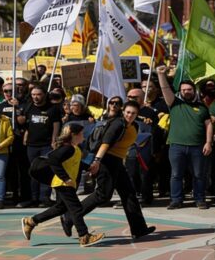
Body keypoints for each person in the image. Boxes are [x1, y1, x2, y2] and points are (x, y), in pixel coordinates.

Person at [64, 101, 156, 239]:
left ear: (137, 114)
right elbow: (105, 144)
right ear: (123, 111)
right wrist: (96, 162)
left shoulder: (135, 126)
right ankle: (70, 217)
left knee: (129, 194)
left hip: (117, 162)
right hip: (106, 160)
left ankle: (139, 229)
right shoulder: (117, 124)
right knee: (103, 195)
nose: (130, 115)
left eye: (133, 113)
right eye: (128, 112)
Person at [21, 123, 105, 247]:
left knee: (60, 208)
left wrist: (89, 168)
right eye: (81, 134)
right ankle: (84, 236)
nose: (83, 136)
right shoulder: (68, 148)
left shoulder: (74, 149)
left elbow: (75, 163)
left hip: (65, 183)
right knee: (76, 208)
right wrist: (65, 178)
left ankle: (31, 221)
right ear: (74, 135)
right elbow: (53, 159)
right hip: (63, 183)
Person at [156, 65, 213, 210]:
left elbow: (209, 125)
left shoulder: (202, 107)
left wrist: (208, 142)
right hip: (176, 146)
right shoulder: (174, 103)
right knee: (176, 175)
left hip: (198, 147)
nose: (186, 92)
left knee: (199, 175)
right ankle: (176, 200)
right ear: (180, 92)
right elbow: (165, 89)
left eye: (189, 89)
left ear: (194, 91)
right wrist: (161, 75)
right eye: (183, 90)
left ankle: (200, 199)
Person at [22, 86, 62, 207]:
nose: (35, 97)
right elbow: (27, 124)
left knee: (45, 170)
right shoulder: (29, 107)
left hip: (46, 144)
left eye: (38, 94)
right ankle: (34, 198)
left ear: (44, 94)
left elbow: (56, 125)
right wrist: (25, 136)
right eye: (33, 94)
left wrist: (54, 140)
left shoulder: (53, 108)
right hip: (32, 145)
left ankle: (44, 197)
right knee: (34, 170)